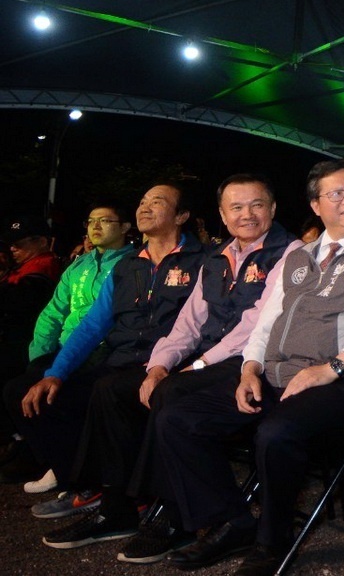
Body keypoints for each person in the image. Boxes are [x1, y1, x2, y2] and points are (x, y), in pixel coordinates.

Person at [154, 159, 344, 576]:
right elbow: (267, 321)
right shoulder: (301, 257)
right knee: (178, 419)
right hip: (277, 374)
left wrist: (332, 367)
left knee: (276, 432)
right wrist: (249, 369)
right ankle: (233, 522)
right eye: (336, 193)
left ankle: (272, 541)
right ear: (315, 205)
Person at [36, 174, 300, 563]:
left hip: (251, 361)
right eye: (237, 207)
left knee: (171, 396)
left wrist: (194, 365)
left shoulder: (290, 252)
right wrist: (160, 365)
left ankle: (176, 517)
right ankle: (121, 506)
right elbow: (189, 323)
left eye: (257, 205)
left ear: (273, 209)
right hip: (210, 360)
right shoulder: (218, 256)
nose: (247, 214)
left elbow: (259, 325)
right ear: (223, 216)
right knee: (116, 389)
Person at [6, 184, 204, 502]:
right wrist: (56, 372)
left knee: (108, 390)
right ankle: (83, 480)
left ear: (181, 215)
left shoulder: (201, 261)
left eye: (158, 202)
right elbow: (92, 325)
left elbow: (198, 326)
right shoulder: (127, 267)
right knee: (34, 391)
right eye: (142, 201)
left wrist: (163, 364)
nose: (145, 207)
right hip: (119, 359)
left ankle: (119, 500)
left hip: (165, 363)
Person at [0, 205, 133, 484]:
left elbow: (105, 322)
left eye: (105, 220)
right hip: (65, 351)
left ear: (124, 227)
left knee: (59, 396)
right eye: (91, 221)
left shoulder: (132, 264)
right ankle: (58, 462)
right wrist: (40, 355)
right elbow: (53, 312)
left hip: (101, 353)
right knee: (19, 388)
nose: (95, 227)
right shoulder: (79, 265)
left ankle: (74, 473)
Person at [0, 216, 64, 379]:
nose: (12, 248)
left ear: (42, 242)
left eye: (19, 244)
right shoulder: (24, 266)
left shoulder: (42, 268)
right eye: (11, 244)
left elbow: (16, 303)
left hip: (20, 347)